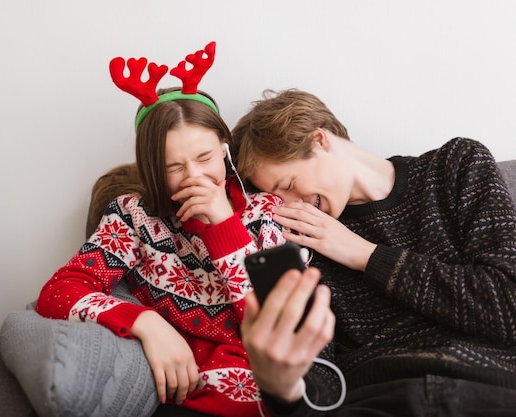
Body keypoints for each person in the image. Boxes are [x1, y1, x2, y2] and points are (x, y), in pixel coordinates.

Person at [34, 44, 333, 417]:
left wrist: (224, 226)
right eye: (173, 166)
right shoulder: (133, 216)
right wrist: (145, 322)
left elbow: (280, 325)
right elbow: (59, 292)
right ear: (151, 169)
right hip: (177, 393)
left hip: (265, 397)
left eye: (205, 158)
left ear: (224, 151)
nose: (194, 177)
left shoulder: (267, 211)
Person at [231, 89, 516, 416]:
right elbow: (321, 381)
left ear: (319, 140)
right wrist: (285, 386)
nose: (293, 206)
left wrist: (365, 255)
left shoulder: (455, 165)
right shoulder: (299, 242)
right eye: (279, 198)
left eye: (289, 182)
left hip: (485, 387)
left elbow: (508, 304)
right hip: (377, 401)